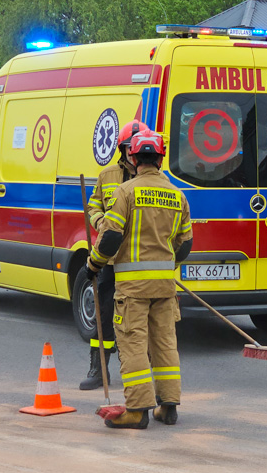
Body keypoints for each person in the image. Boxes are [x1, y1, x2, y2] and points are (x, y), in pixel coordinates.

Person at [86, 130, 193, 429]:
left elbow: (110, 237)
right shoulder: (177, 195)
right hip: (164, 286)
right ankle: (168, 407)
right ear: (160, 158)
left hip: (132, 289)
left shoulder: (125, 192)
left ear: (133, 158)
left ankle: (137, 411)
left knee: (133, 345)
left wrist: (93, 265)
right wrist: (164, 265)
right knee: (164, 343)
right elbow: (185, 246)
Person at [79, 119, 149, 391]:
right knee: (104, 315)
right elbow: (94, 205)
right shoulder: (107, 176)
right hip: (110, 259)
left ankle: (147, 375)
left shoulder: (154, 179)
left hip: (141, 263)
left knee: (144, 322)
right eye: (129, 148)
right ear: (122, 150)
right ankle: (98, 371)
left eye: (138, 148)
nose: (134, 153)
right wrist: (99, 222)